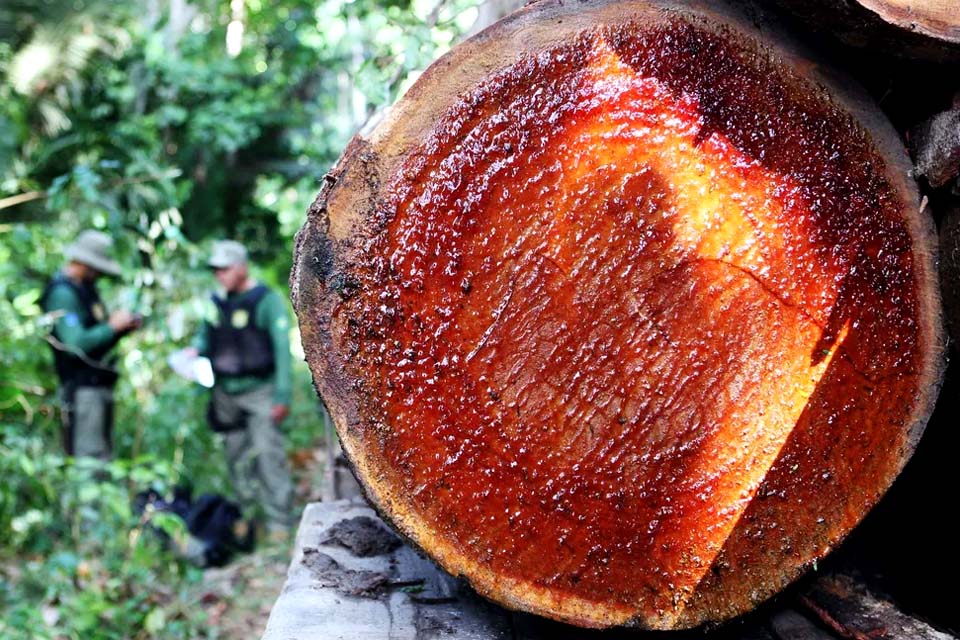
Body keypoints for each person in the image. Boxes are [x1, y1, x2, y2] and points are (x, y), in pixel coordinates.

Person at [187, 240, 294, 540]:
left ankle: (279, 524)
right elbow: (205, 336)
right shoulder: (216, 302)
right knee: (236, 457)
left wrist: (282, 395)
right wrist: (193, 351)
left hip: (260, 391)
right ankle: (248, 519)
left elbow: (282, 350)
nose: (219, 275)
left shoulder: (266, 300)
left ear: (242, 268)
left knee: (268, 455)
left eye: (225, 269)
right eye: (216, 270)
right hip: (225, 393)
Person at [41, 229, 142, 459]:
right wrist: (111, 327)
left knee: (102, 455)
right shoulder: (63, 293)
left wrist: (121, 329)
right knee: (89, 459)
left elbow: (96, 340)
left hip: (98, 386)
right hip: (82, 390)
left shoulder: (85, 290)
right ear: (86, 264)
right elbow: (75, 345)